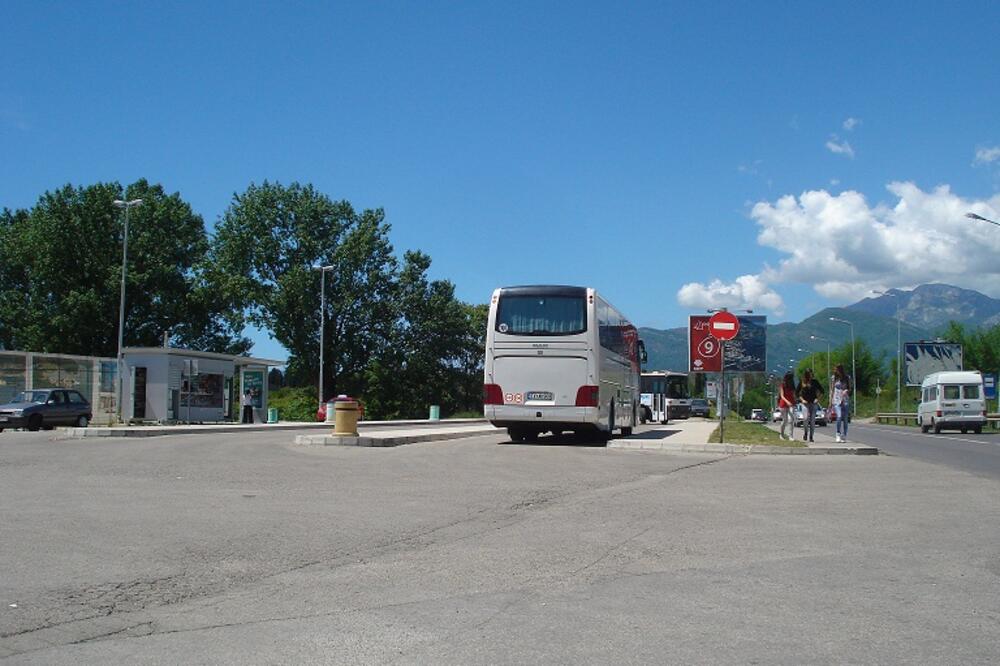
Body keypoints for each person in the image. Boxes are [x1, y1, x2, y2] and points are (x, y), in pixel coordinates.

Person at [796, 369, 824, 442]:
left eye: (811, 374)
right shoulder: (802, 382)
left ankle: (811, 436)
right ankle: (805, 432)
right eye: (809, 374)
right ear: (806, 375)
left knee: (812, 420)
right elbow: (797, 393)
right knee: (805, 419)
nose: (810, 375)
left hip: (813, 403)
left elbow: (822, 391)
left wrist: (818, 399)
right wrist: (802, 400)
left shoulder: (815, 382)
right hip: (805, 403)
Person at [832, 364, 851, 443]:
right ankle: (838, 434)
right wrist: (830, 401)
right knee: (839, 417)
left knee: (845, 419)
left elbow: (850, 388)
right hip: (837, 400)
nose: (835, 371)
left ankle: (844, 435)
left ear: (840, 370)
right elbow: (832, 389)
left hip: (845, 399)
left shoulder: (847, 378)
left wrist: (846, 390)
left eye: (836, 369)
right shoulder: (834, 378)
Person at [777, 372, 796, 440]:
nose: (791, 380)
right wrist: (787, 401)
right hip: (784, 403)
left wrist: (795, 401)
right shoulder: (783, 384)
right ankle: (781, 434)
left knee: (791, 419)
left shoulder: (792, 385)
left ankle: (790, 436)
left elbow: (793, 395)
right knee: (785, 420)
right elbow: (782, 395)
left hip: (791, 403)